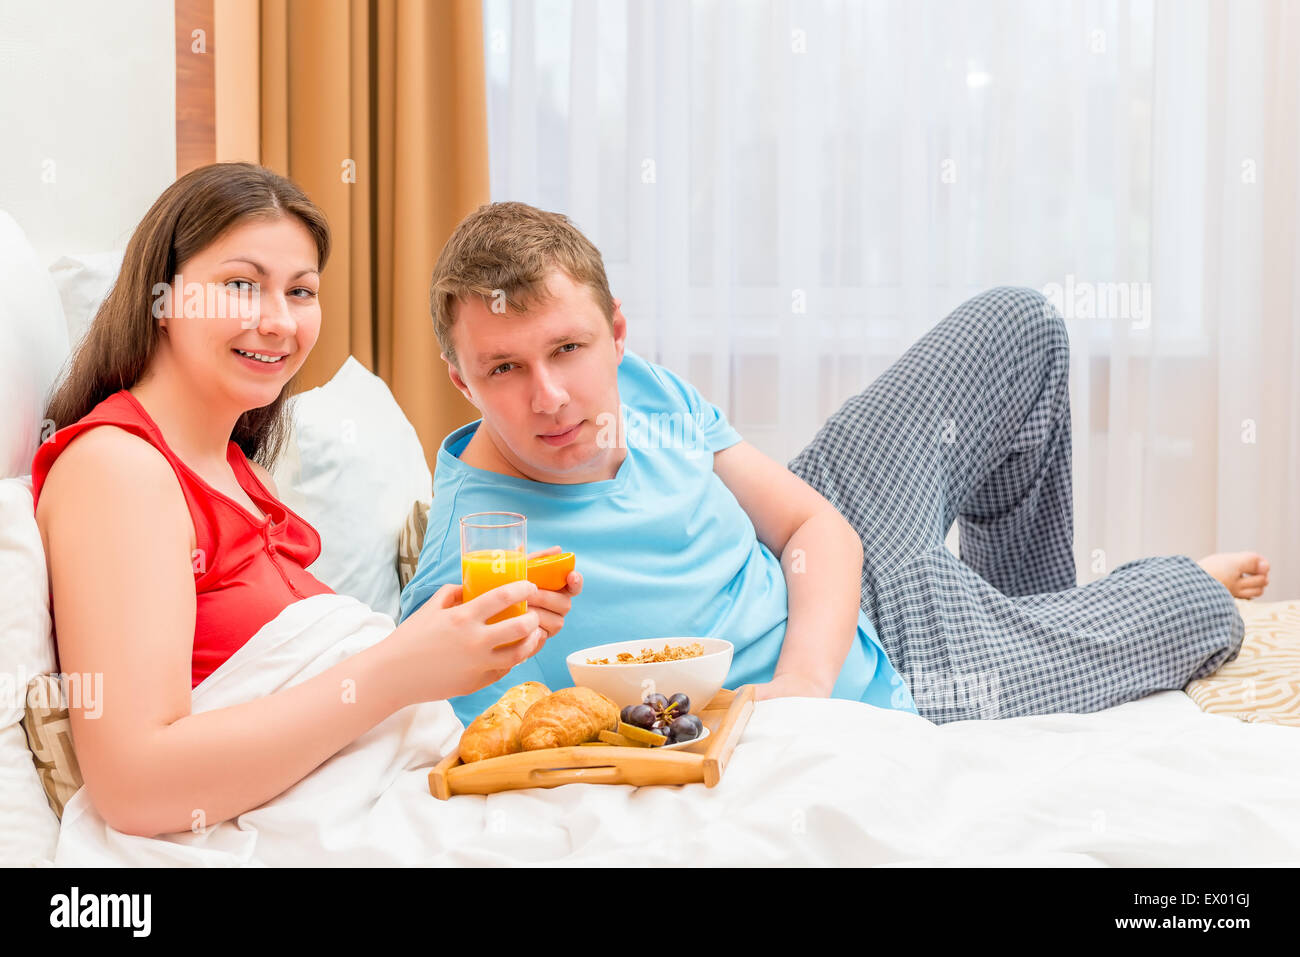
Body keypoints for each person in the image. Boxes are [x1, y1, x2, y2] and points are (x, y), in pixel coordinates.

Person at [399, 201, 1268, 727]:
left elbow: (814, 522)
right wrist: (810, 691)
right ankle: (1121, 600)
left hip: (821, 559)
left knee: (1021, 326)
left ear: (617, 333)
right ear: (460, 380)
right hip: (900, 656)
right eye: (504, 369)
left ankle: (1032, 604)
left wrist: (802, 675)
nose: (549, 396)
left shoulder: (645, 390)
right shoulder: (479, 552)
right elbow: (451, 702)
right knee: (1192, 618)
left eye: (569, 348)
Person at [32, 164, 576, 839]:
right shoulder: (117, 468)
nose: (279, 321)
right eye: (241, 285)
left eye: (301, 290)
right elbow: (137, 784)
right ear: (163, 298)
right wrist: (402, 668)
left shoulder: (233, 470)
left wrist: (455, 640)